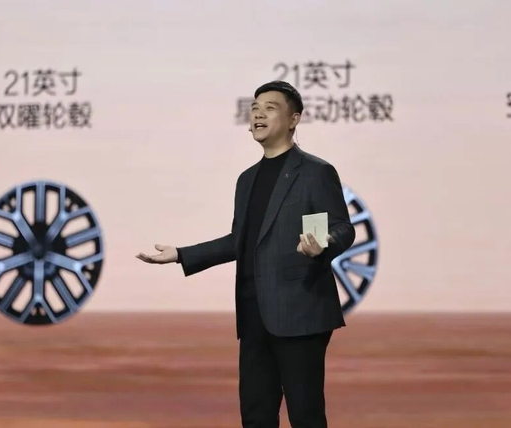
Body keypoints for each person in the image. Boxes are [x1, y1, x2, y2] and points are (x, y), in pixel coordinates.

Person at [136, 80, 355, 428]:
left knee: (306, 415)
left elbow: (344, 228)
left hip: (300, 312)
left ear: (294, 119)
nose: (258, 114)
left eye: (270, 107)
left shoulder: (315, 172)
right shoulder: (247, 179)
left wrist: (323, 244)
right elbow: (238, 241)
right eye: (254, 108)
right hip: (253, 314)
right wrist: (181, 254)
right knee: (255, 415)